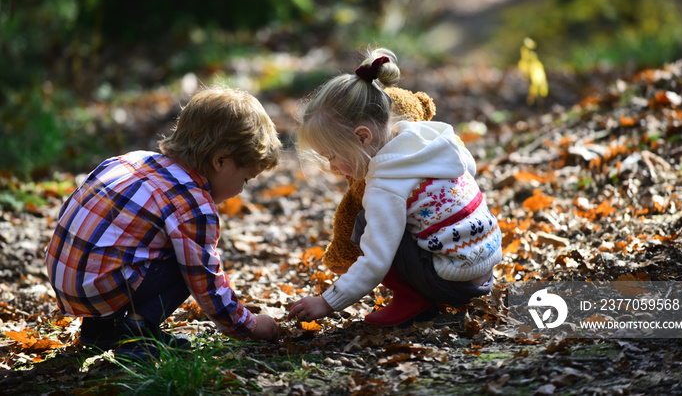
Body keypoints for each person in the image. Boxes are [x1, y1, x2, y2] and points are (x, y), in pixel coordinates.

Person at [45, 87, 282, 356]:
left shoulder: (132, 160)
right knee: (190, 261)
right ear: (220, 161)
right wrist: (248, 326)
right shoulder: (193, 204)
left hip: (65, 278)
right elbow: (205, 281)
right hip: (102, 287)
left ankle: (99, 330)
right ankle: (136, 333)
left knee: (135, 242)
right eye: (245, 179)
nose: (241, 190)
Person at [288, 48, 502, 327]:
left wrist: (327, 302)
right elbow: (469, 168)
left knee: (366, 221)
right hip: (486, 270)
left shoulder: (385, 186)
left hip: (453, 284)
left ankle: (413, 300)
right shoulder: (429, 136)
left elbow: (376, 261)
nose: (332, 167)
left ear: (362, 137)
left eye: (332, 155)